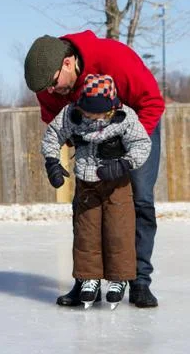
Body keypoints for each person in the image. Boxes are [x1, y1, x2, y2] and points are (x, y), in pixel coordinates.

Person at [24, 30, 165, 308]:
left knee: (139, 201)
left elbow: (152, 102)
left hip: (135, 128)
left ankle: (139, 281)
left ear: (67, 62)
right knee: (86, 207)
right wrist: (56, 157)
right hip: (88, 139)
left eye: (53, 84)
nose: (50, 92)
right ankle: (86, 279)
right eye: (44, 90)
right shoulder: (49, 85)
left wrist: (125, 151)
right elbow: (56, 126)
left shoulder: (114, 59)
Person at [41, 74, 152, 309]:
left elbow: (142, 143)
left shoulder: (125, 117)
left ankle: (118, 278)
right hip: (86, 184)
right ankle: (88, 278)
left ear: (112, 107)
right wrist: (52, 162)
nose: (91, 116)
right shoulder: (72, 114)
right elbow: (53, 134)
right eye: (88, 110)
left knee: (118, 230)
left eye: (97, 112)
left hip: (117, 183)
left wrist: (124, 163)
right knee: (86, 232)